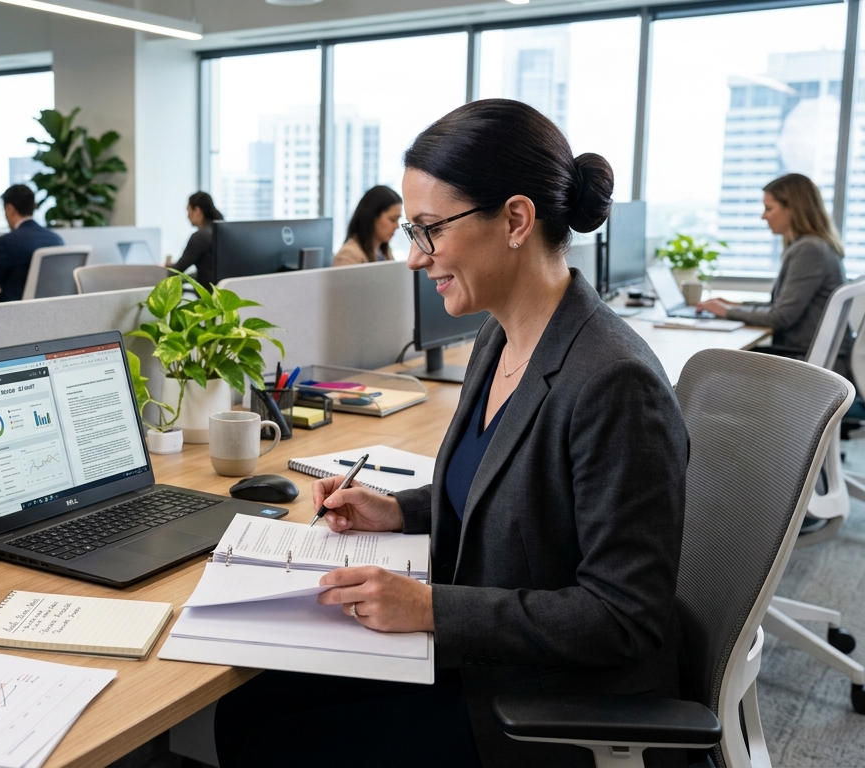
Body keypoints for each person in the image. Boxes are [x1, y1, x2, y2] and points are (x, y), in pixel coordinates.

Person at [214, 100, 689, 768]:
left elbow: (623, 617)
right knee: (245, 711)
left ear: (516, 220)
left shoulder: (613, 382)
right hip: (476, 658)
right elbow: (502, 487)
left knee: (274, 742)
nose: (414, 257)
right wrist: (400, 509)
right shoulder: (498, 334)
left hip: (539, 705)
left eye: (431, 230)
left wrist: (434, 609)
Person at [698, 173, 851, 376]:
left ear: (793, 209)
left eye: (769, 209)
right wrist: (736, 305)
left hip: (804, 361)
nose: (764, 216)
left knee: (709, 364)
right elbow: (781, 306)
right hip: (805, 356)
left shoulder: (809, 249)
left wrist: (726, 312)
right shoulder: (813, 246)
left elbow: (781, 317)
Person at [334, 185, 403, 266]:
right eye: (392, 219)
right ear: (372, 218)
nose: (397, 226)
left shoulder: (384, 251)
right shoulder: (348, 256)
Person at [168, 191, 224, 286]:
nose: (187, 216)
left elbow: (177, 270)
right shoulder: (221, 231)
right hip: (222, 292)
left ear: (197, 210)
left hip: (207, 297)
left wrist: (164, 269)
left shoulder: (200, 237)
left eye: (188, 211)